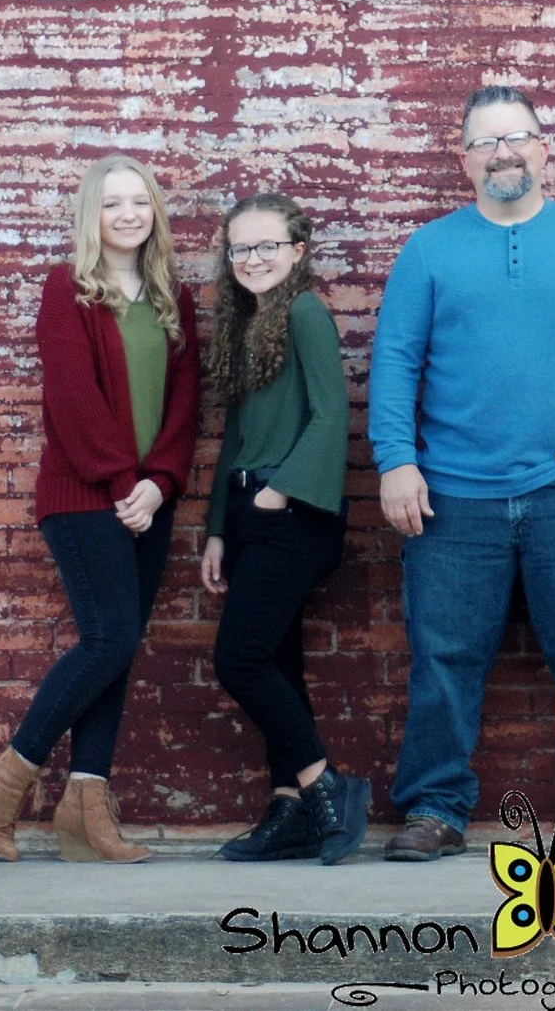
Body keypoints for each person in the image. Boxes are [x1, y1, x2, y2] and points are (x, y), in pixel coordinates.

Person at [369, 85, 555, 863]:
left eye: (518, 137)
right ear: (464, 159)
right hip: (453, 493)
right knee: (444, 659)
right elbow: (394, 361)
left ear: (544, 148)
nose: (504, 153)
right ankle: (433, 807)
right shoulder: (429, 250)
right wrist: (396, 461)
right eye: (487, 141)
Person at [0, 154, 200, 865]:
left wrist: (159, 482)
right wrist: (125, 481)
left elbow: (187, 402)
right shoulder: (67, 289)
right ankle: (0, 787)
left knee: (118, 652)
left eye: (140, 202)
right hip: (84, 496)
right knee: (109, 640)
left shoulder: (172, 298)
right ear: (91, 216)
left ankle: (86, 815)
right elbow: (71, 398)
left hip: (148, 499)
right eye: (112, 203)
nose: (128, 214)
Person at [197, 193, 371, 866]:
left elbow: (333, 416)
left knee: (238, 659)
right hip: (251, 510)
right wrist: (219, 527)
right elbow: (236, 433)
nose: (254, 258)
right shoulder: (247, 323)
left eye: (268, 245)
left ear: (298, 251)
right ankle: (292, 809)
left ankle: (324, 786)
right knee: (274, 662)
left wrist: (277, 494)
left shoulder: (303, 312)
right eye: (241, 248)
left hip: (293, 511)